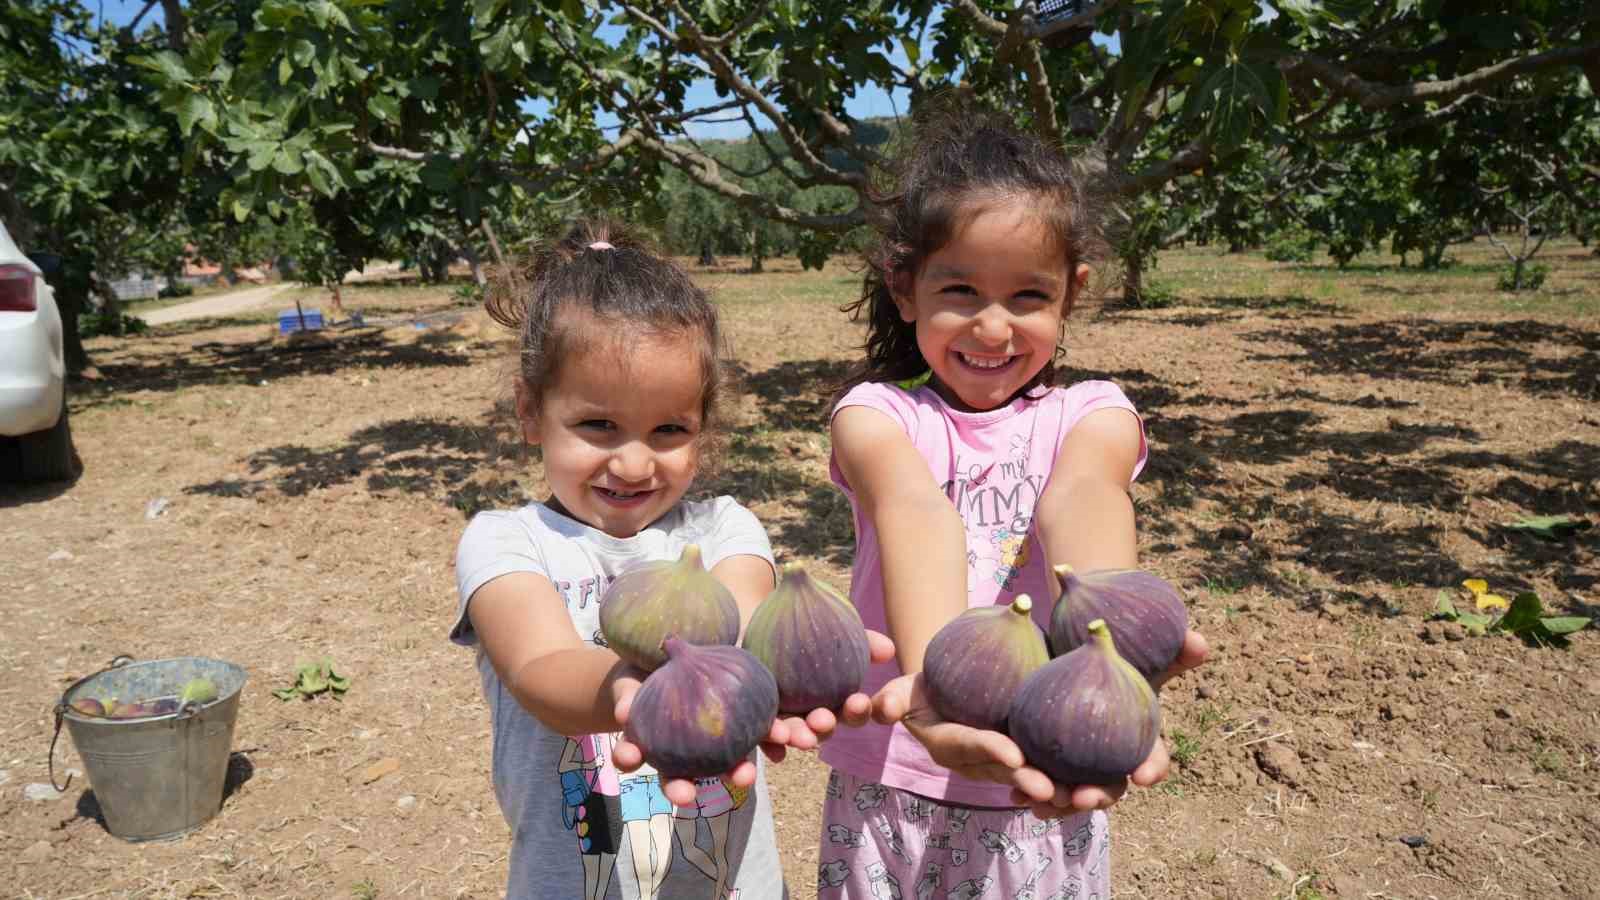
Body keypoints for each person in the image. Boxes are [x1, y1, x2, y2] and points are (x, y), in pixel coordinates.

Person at [815, 102, 1210, 898]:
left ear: (1072, 295)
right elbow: (912, 509)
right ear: (906, 289)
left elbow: (1085, 496)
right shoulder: (877, 415)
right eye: (960, 288)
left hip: (1044, 773)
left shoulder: (1091, 412)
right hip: (896, 775)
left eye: (1028, 296)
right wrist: (939, 687)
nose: (993, 328)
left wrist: (1110, 659)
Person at [449, 218, 888, 900]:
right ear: (531, 412)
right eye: (598, 425)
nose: (631, 461)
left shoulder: (721, 531)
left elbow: (739, 631)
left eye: (668, 430)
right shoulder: (505, 540)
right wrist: (632, 692)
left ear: (702, 427)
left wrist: (810, 657)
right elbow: (538, 667)